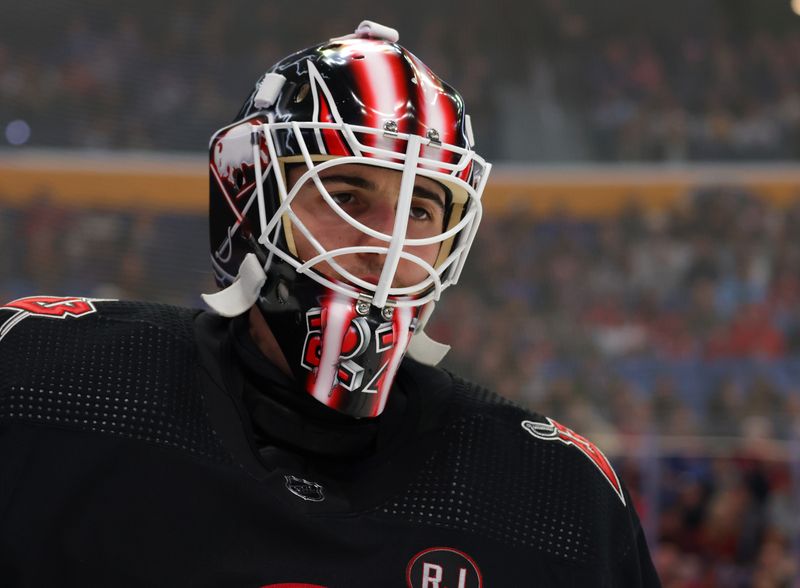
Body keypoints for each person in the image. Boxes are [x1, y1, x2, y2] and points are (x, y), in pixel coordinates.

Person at [0, 21, 660, 587]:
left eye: (421, 209)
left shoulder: (560, 502)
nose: (387, 244)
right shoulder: (40, 387)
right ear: (253, 204)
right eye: (346, 196)